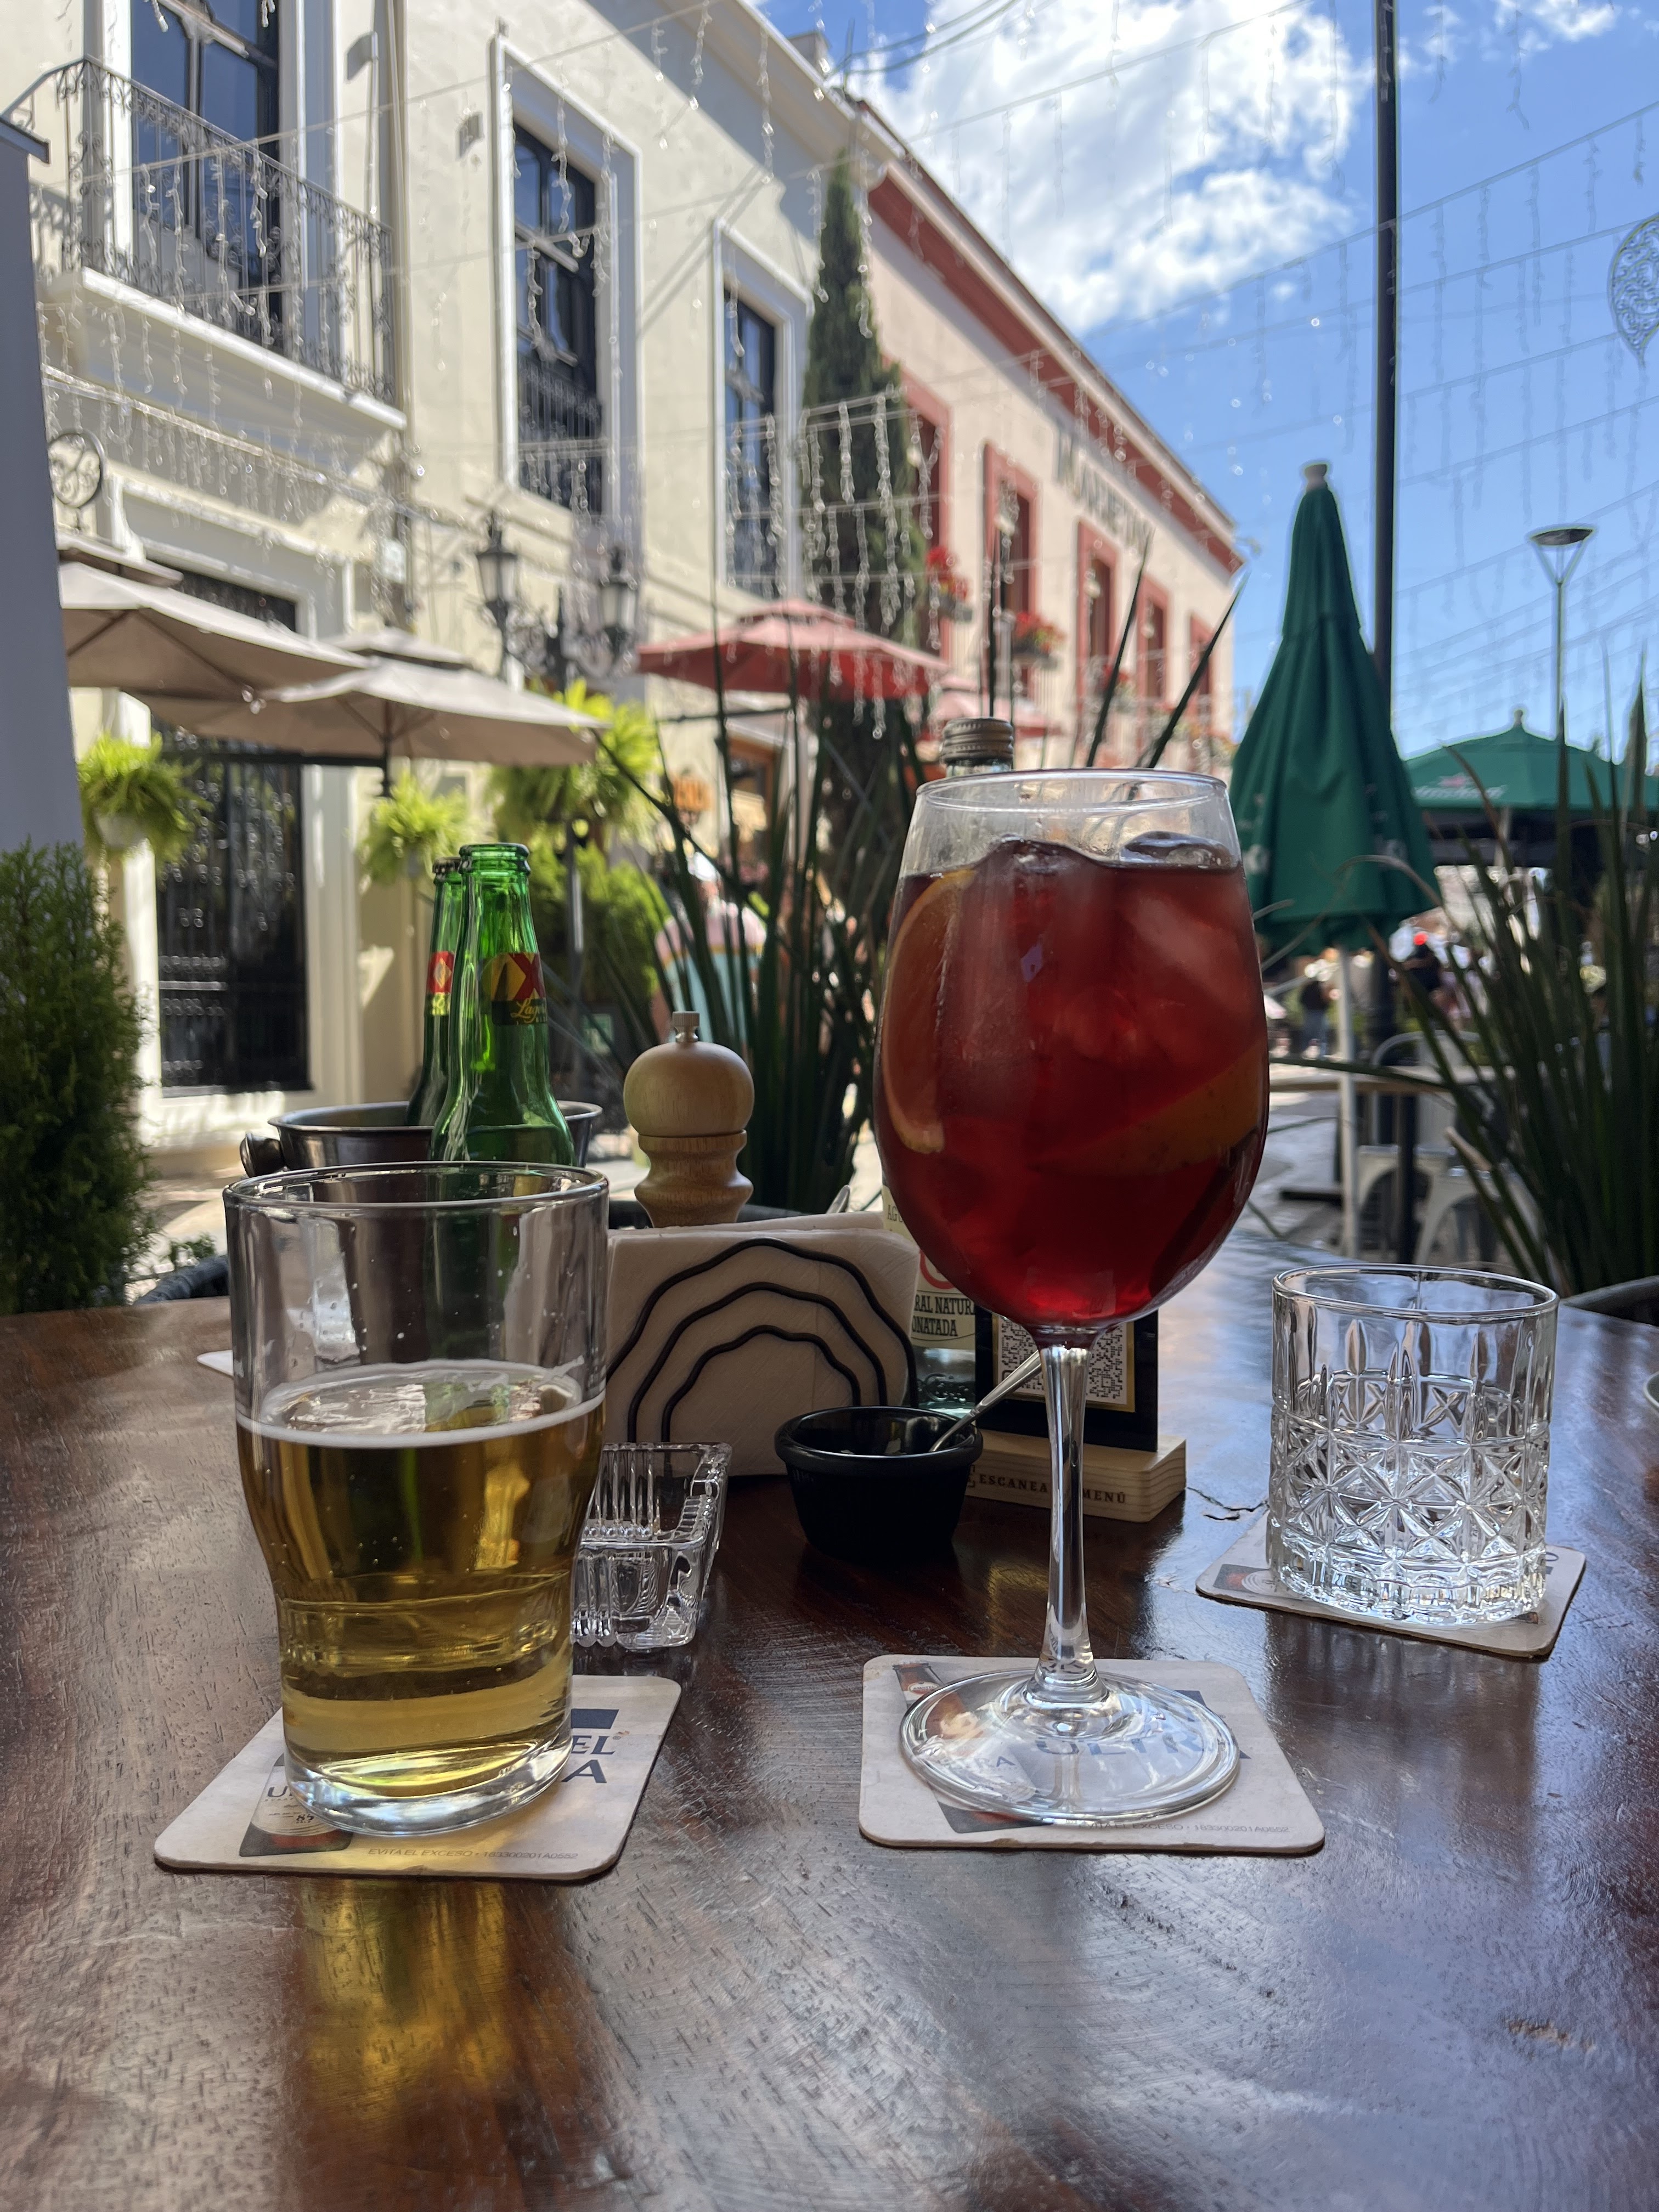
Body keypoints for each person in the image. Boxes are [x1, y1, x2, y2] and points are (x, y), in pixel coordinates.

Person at [1401, 932, 1443, 1005]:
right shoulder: (1410, 959)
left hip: (1433, 990)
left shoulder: (1433, 960)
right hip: (1418, 992)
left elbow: (1440, 972)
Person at [1300, 969, 1329, 1057]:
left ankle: (1305, 1054)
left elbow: (1301, 1000)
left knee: (1308, 1036)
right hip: (1319, 1014)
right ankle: (1322, 1055)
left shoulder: (1307, 988)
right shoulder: (1321, 989)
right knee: (1321, 1037)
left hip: (1309, 1014)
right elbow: (1326, 1002)